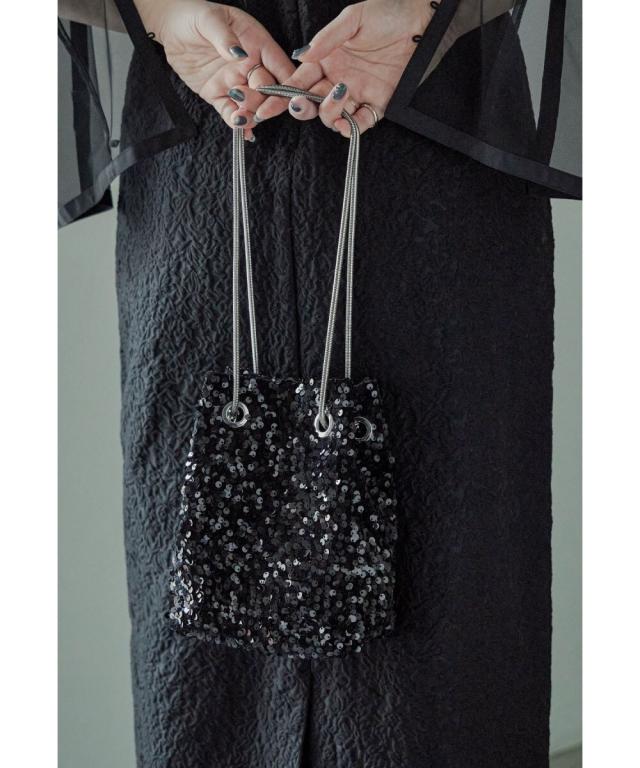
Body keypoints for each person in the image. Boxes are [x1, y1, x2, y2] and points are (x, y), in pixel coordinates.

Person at [58, 1, 581, 766]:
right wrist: (162, 12)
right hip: (207, 133)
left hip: (435, 140)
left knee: (453, 585)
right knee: (205, 642)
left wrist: (429, 16)